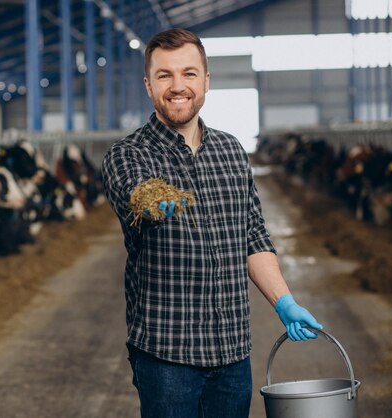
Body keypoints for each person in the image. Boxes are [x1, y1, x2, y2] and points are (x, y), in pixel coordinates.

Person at [101, 28, 323, 418]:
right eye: (164, 75)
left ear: (206, 81)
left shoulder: (231, 150)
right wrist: (151, 201)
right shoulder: (127, 155)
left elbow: (253, 235)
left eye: (188, 73)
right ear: (148, 85)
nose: (177, 86)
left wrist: (284, 302)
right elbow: (133, 192)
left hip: (233, 354)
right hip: (167, 356)